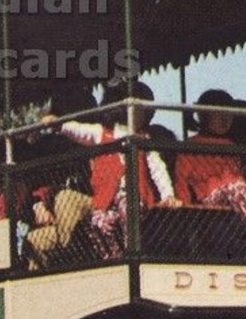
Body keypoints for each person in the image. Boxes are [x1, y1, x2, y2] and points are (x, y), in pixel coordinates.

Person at [45, 81, 180, 259]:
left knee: (128, 210)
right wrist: (60, 125)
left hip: (134, 194)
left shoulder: (144, 139)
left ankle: (133, 253)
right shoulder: (103, 133)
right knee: (98, 222)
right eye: (135, 109)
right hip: (107, 198)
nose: (140, 114)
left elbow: (158, 169)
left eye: (143, 110)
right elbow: (80, 131)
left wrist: (168, 195)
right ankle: (112, 256)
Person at [172, 88, 246, 218]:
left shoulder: (231, 146)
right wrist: (185, 211)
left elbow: (237, 178)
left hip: (234, 206)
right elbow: (181, 183)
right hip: (208, 208)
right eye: (219, 114)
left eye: (229, 114)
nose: (225, 119)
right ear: (203, 115)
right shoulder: (190, 146)